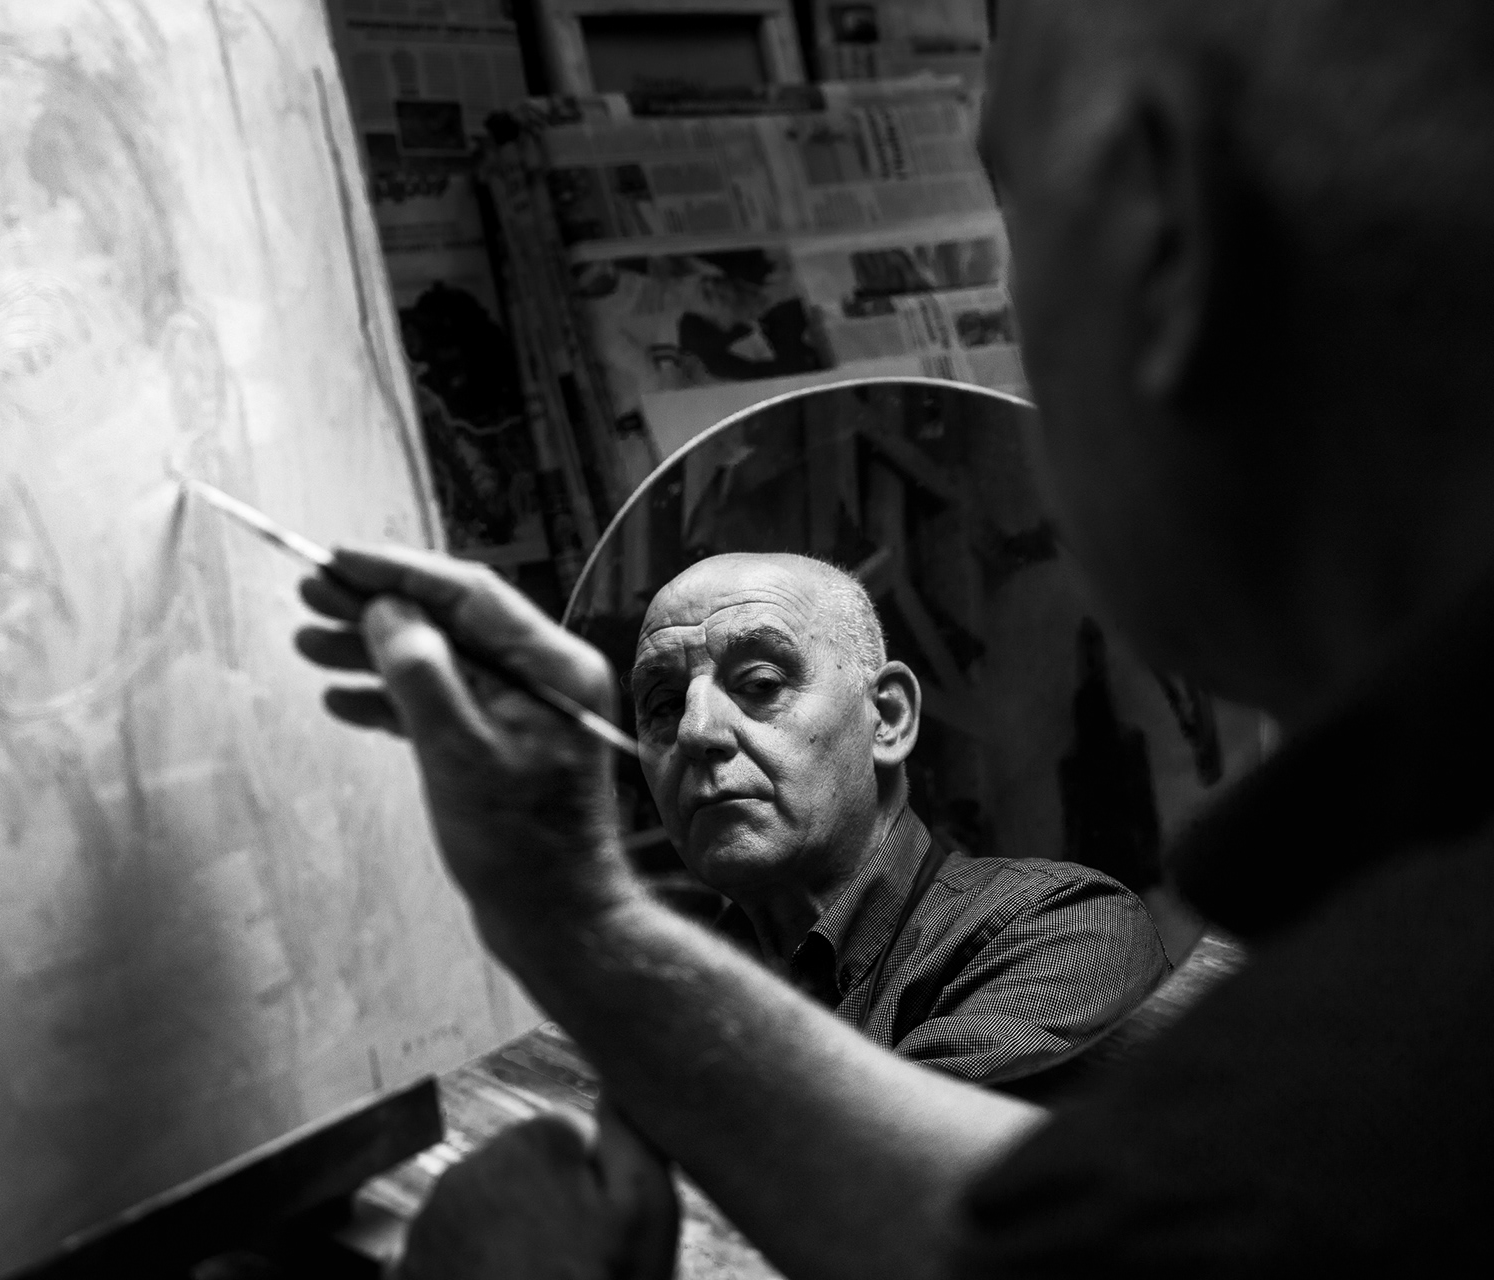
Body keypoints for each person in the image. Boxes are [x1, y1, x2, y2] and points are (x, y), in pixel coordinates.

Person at [293, 0, 1494, 1274]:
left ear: (1159, 229)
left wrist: (575, 924)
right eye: (656, 699)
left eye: (1013, 218)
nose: (698, 731)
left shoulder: (1361, 1053)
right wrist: (577, 916)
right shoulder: (1395, 952)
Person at [630, 551, 1168, 1083]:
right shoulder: (672, 986)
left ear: (887, 718)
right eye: (664, 705)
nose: (694, 731)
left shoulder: (1066, 931)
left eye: (761, 683)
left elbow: (899, 1139)